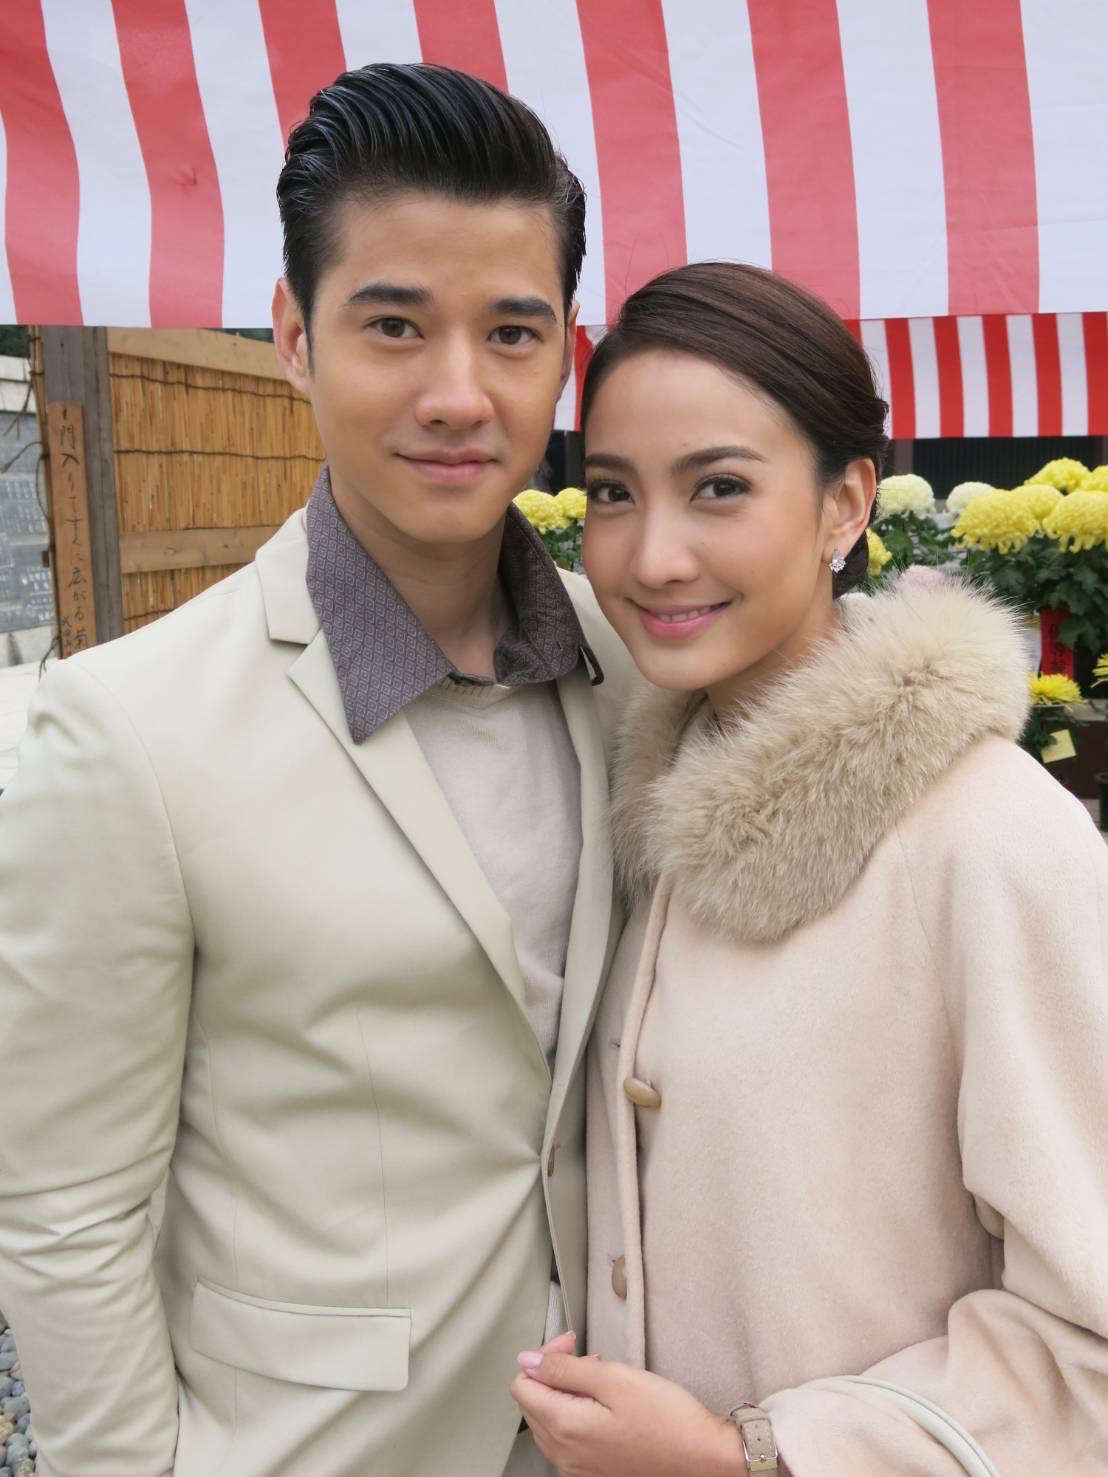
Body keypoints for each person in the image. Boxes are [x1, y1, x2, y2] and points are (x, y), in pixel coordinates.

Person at [0, 63, 634, 1477]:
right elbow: (65, 1210)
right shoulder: (129, 729)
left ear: (566, 353)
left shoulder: (632, 670)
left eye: (511, 332)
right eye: (393, 325)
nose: (458, 394)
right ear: (294, 335)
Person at [511, 262, 1108, 1475]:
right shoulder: (649, 804)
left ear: (845, 505)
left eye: (719, 487)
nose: (652, 555)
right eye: (613, 491)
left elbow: (1088, 1342)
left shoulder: (991, 839)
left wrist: (756, 1454)